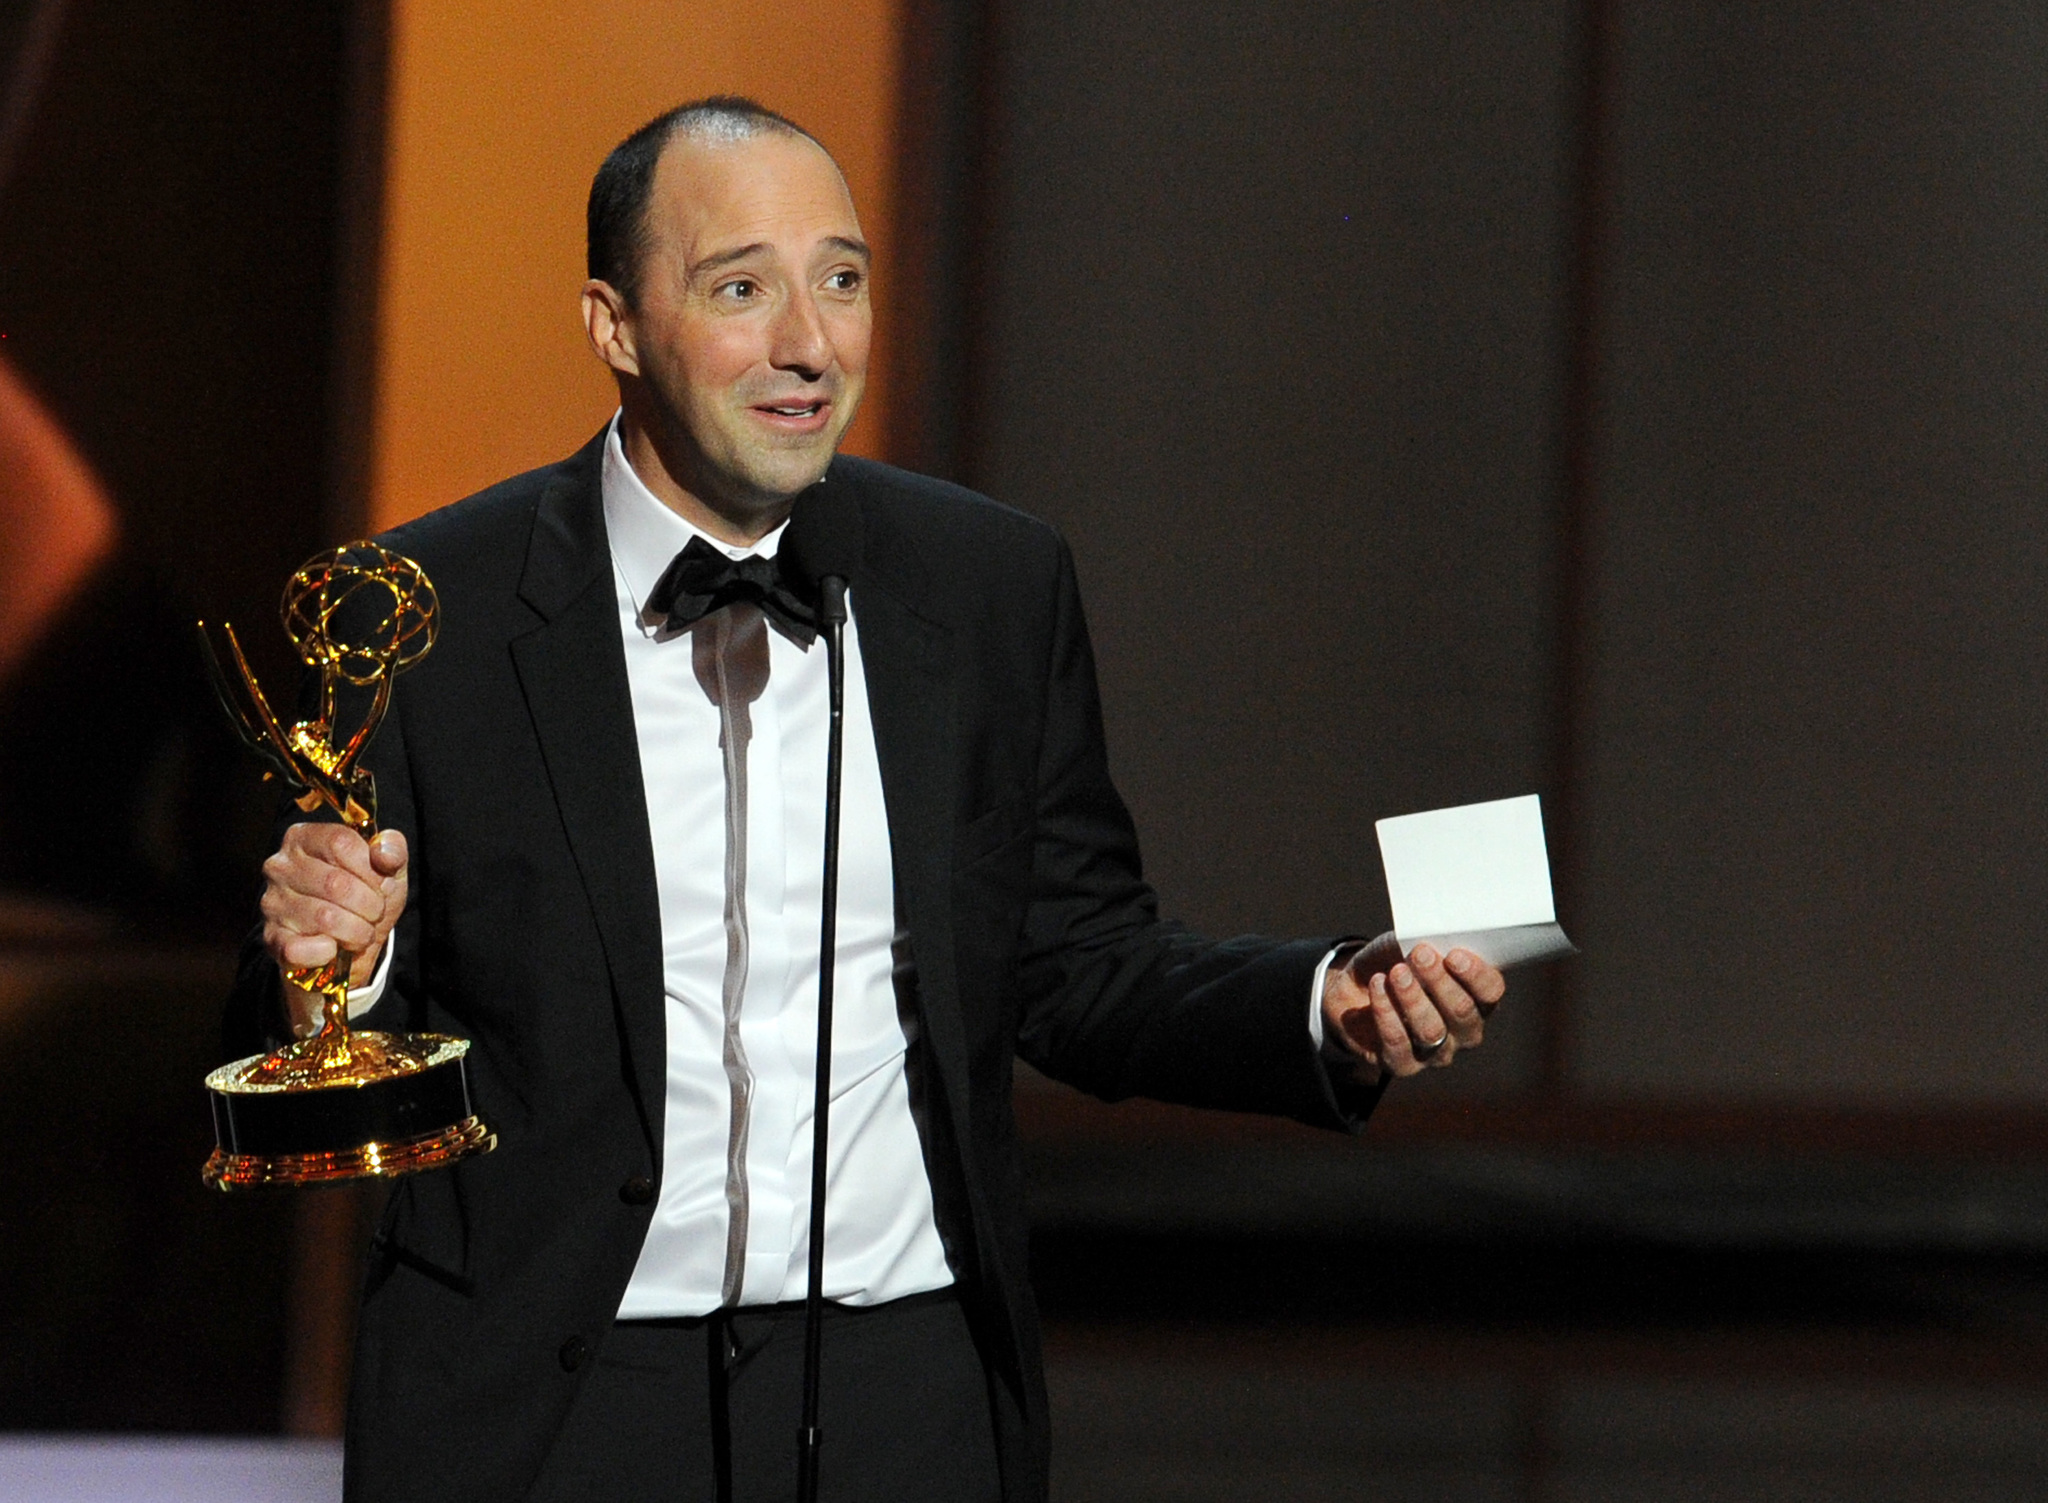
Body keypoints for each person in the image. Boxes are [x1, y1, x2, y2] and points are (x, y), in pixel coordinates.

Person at [228, 97, 1507, 1503]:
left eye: (842, 280)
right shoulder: (429, 612)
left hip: (908, 1396)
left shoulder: (984, 586)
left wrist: (1321, 1003)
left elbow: (1077, 965)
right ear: (612, 324)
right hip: (553, 1408)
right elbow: (297, 1062)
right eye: (741, 289)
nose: (810, 344)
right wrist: (345, 963)